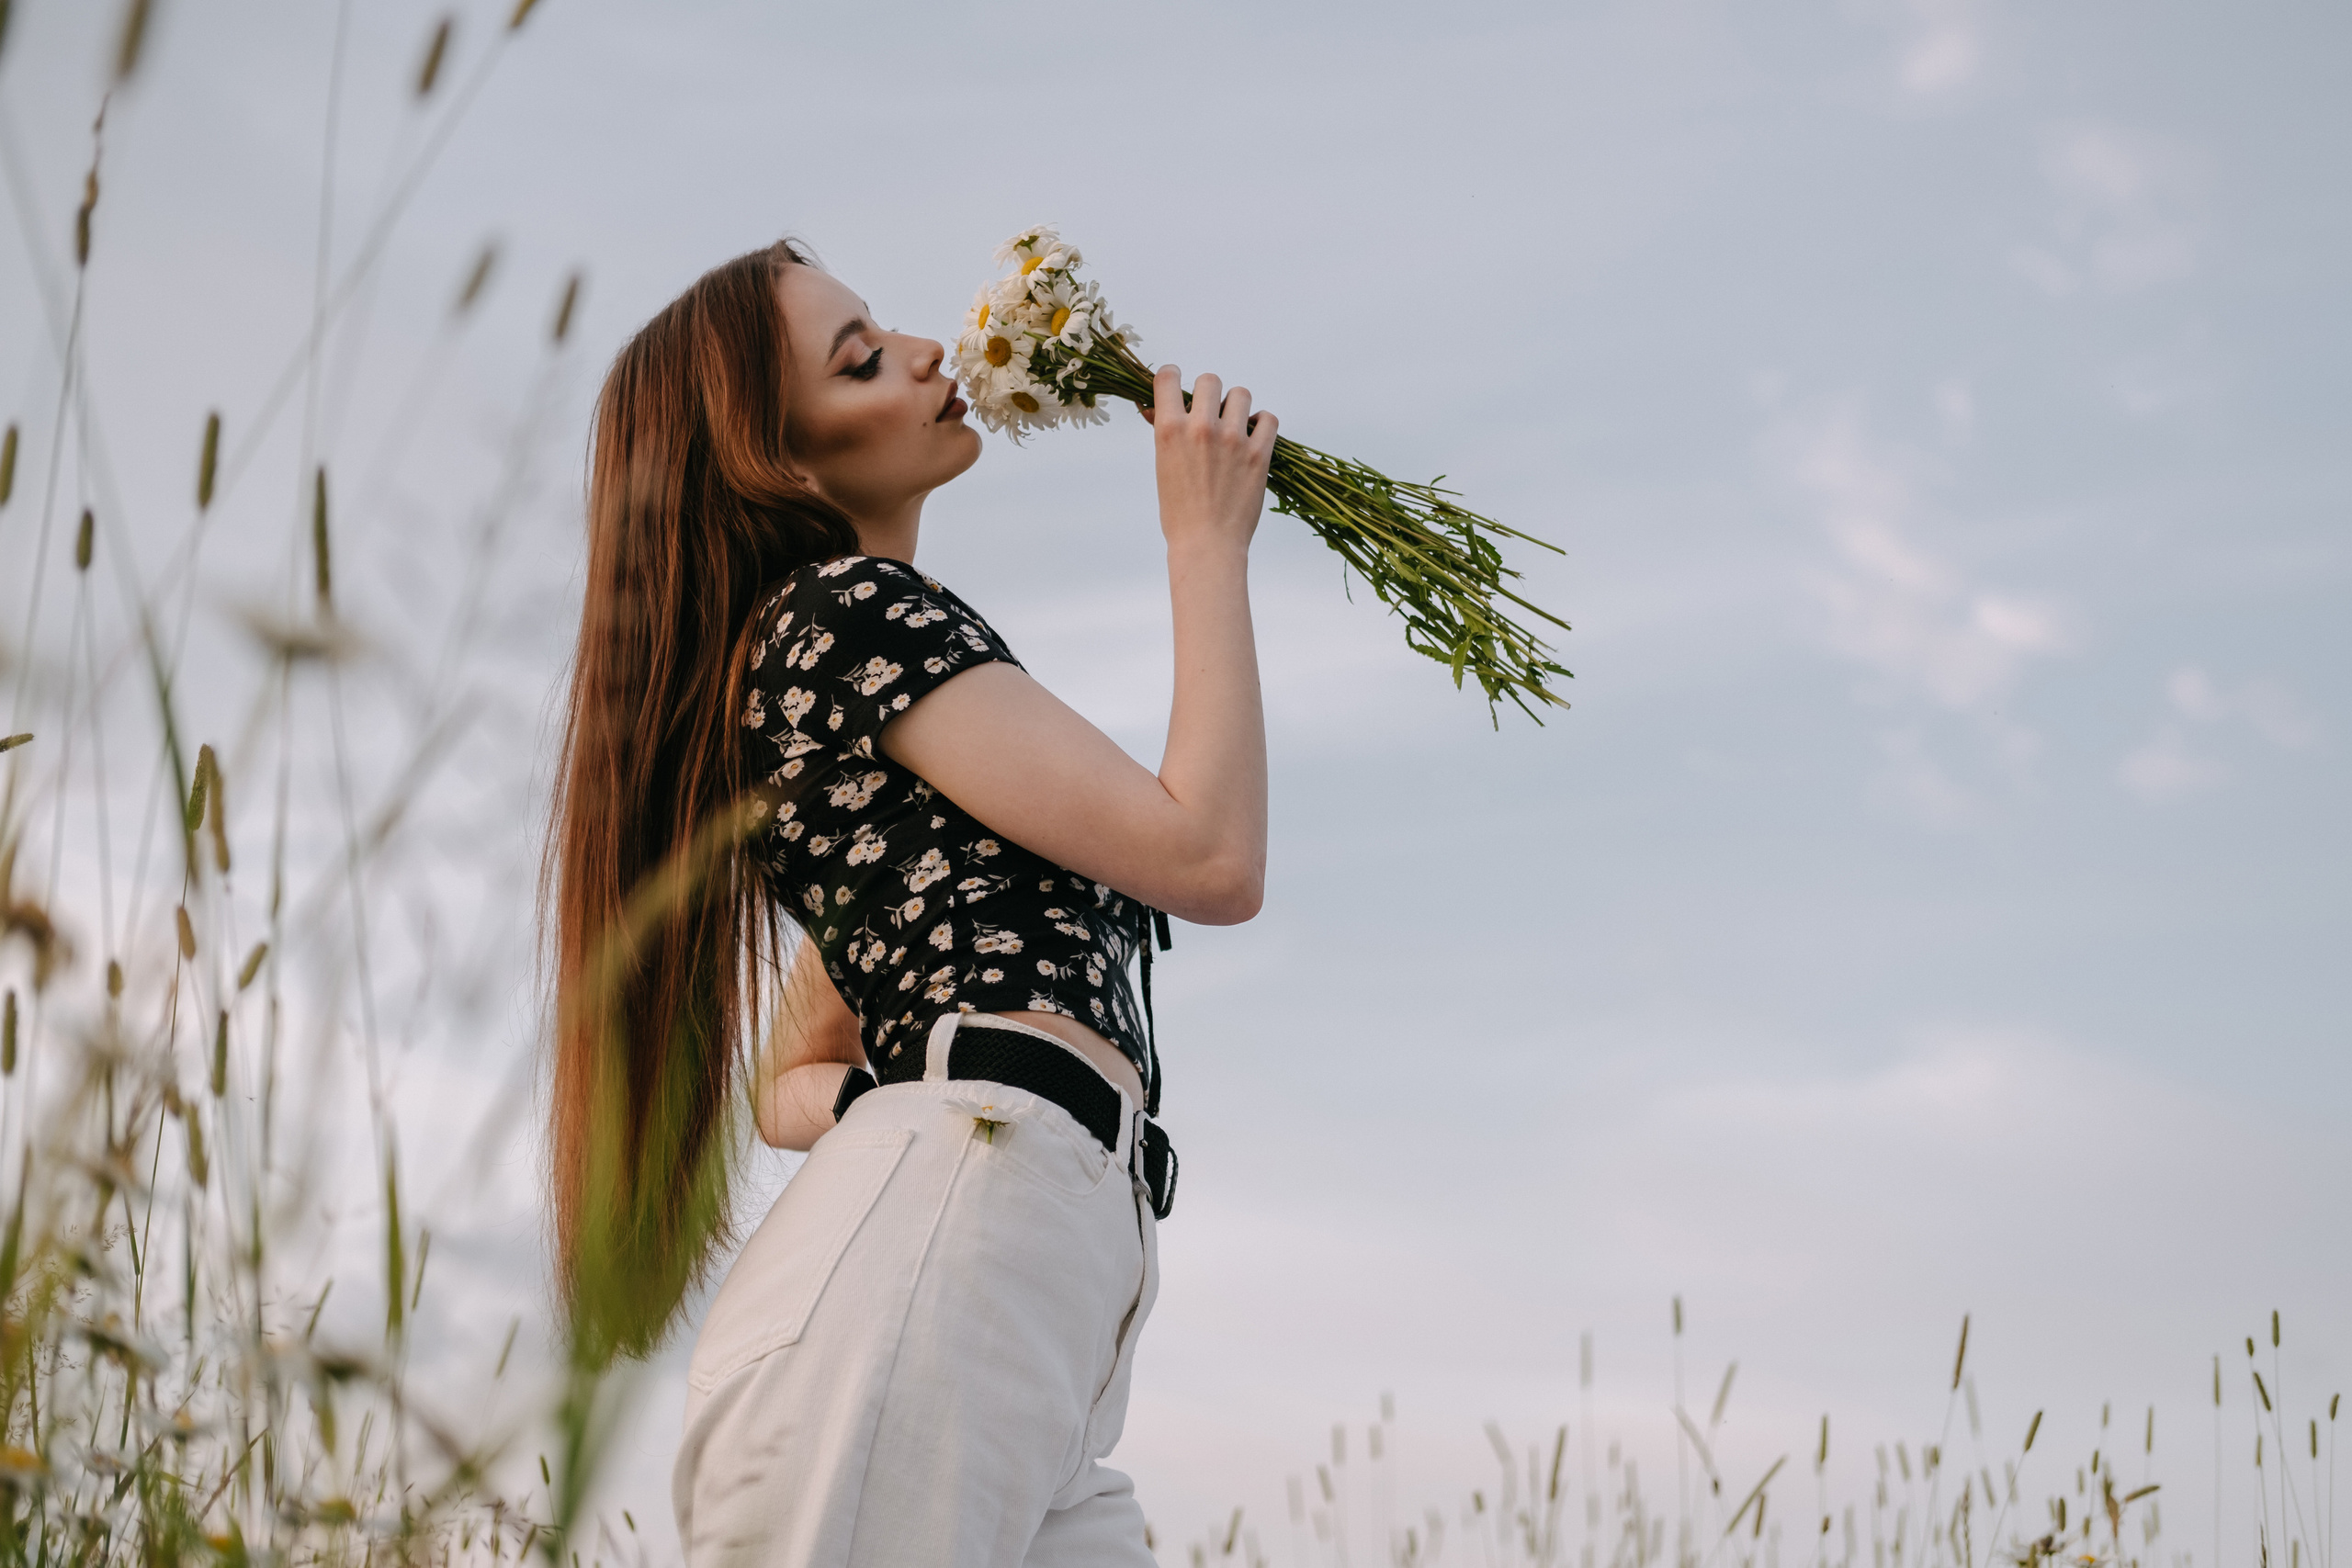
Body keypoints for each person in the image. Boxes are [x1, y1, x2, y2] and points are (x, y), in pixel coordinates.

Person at [543, 237, 1273, 1566]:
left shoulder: (852, 670)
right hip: (962, 1242)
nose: (931, 352)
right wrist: (1205, 540)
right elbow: (1210, 860)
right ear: (783, 460)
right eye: (861, 357)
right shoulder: (846, 618)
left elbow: (787, 1079)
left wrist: (906, 1100)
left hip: (1029, 1258)